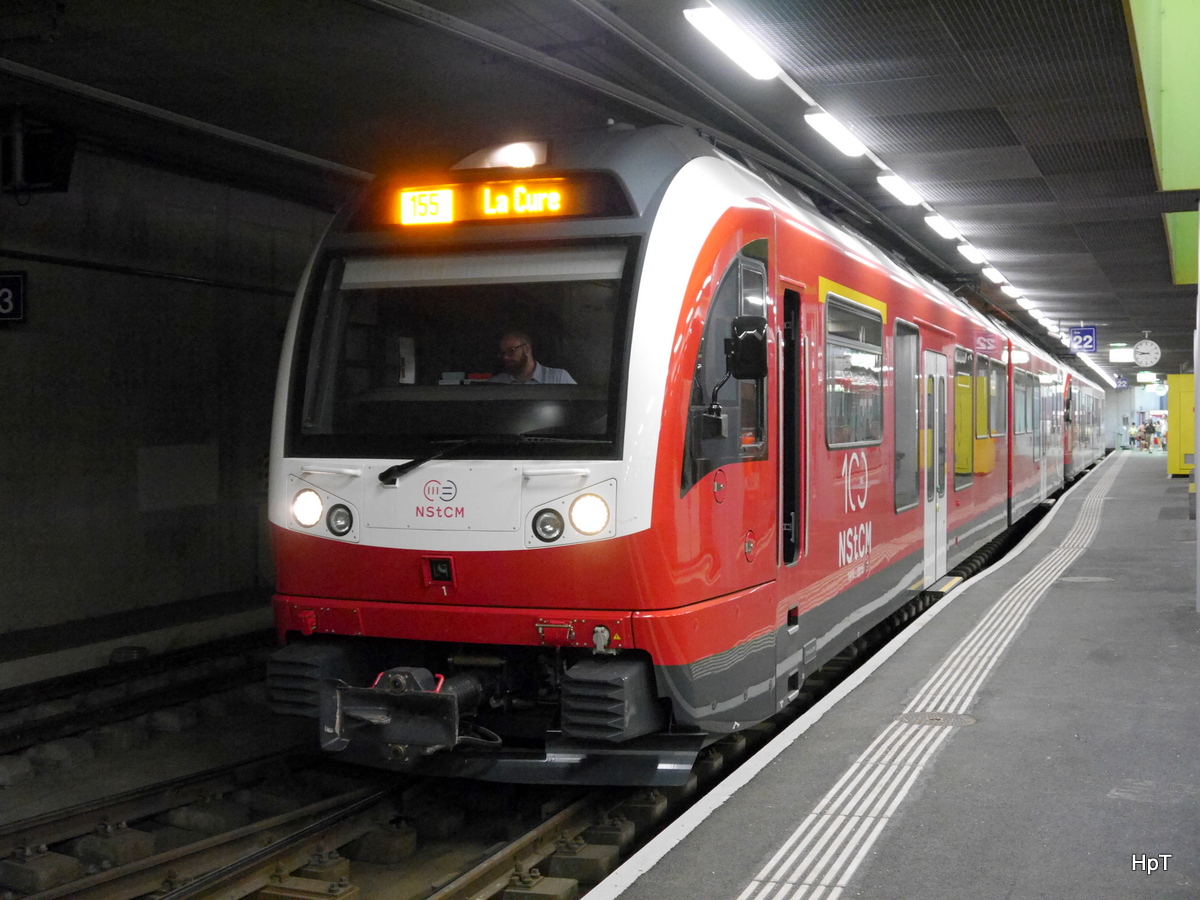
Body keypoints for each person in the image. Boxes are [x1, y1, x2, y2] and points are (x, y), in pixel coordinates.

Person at [490, 330, 575, 384]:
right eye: (503, 353)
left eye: (511, 351)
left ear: (527, 348)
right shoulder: (496, 384)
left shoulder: (559, 378)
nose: (506, 357)